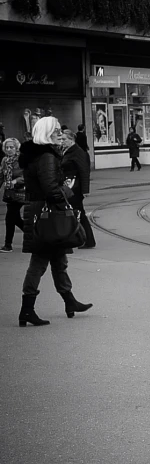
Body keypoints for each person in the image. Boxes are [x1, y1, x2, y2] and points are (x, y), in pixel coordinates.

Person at [17, 117, 92, 326]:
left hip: (40, 211)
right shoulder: (47, 156)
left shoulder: (37, 155)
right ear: (47, 133)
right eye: (57, 130)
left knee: (59, 259)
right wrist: (66, 198)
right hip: (47, 213)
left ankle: (69, 302)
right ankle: (27, 310)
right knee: (39, 262)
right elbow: (50, 188)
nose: (61, 133)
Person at [60, 130, 96, 249]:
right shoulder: (66, 151)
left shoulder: (77, 152)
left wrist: (85, 190)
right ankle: (83, 238)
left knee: (77, 212)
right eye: (61, 139)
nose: (62, 141)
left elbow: (84, 171)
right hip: (68, 186)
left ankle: (87, 239)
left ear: (71, 139)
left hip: (75, 187)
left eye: (64, 139)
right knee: (75, 212)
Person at [1, 138, 26, 253]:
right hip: (10, 193)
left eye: (11, 147)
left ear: (16, 148)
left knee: (10, 218)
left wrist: (15, 181)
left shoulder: (21, 160)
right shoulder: (5, 161)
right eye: (7, 147)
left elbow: (26, 176)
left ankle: (8, 245)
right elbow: (1, 176)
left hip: (20, 192)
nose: (9, 149)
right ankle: (35, 234)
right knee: (15, 219)